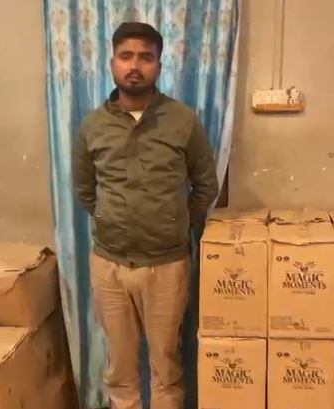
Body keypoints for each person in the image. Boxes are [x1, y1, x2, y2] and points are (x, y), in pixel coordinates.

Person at [71, 22, 219, 409]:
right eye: (126, 56)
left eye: (145, 57)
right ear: (112, 62)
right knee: (120, 370)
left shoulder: (183, 120)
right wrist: (112, 219)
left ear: (158, 65)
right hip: (109, 266)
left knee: (165, 367)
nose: (134, 66)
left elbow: (205, 186)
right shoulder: (93, 125)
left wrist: (173, 223)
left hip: (167, 266)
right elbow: (85, 189)